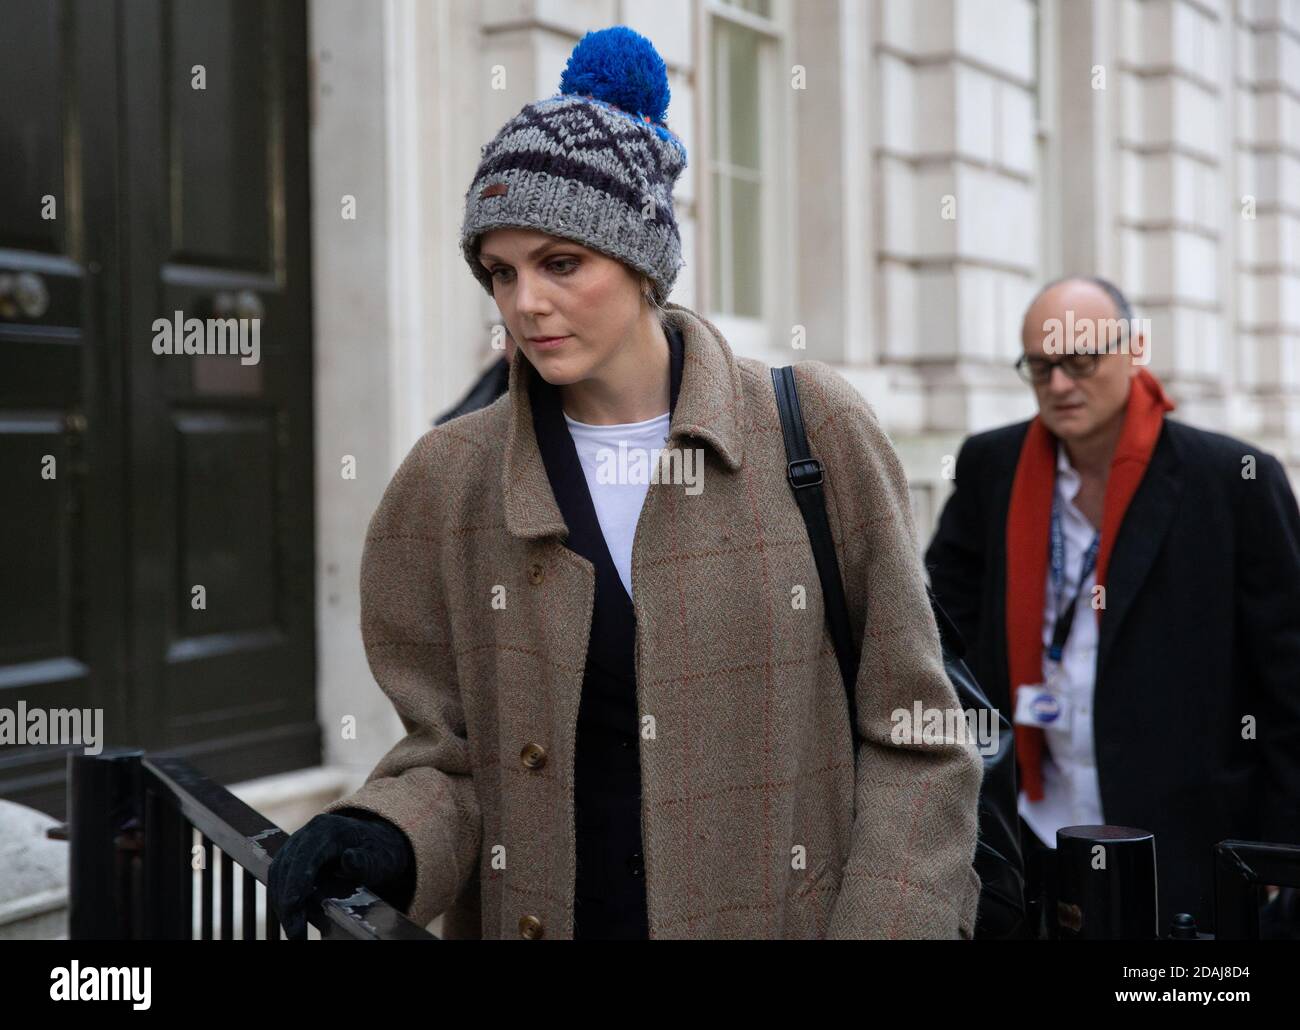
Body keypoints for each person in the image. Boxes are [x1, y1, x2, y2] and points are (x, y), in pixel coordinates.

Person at [269, 25, 983, 940]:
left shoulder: (815, 430)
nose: (525, 303)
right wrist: (384, 836)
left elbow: (918, 736)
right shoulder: (448, 478)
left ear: (642, 264)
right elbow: (450, 760)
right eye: (501, 271)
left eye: (562, 263)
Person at [925, 275, 1300, 935]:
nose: (1060, 384)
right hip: (1027, 838)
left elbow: (1289, 683)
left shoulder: (1234, 481)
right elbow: (938, 640)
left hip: (1186, 842)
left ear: (1133, 351)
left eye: (1080, 360)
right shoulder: (992, 467)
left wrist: (1279, 848)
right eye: (1040, 366)